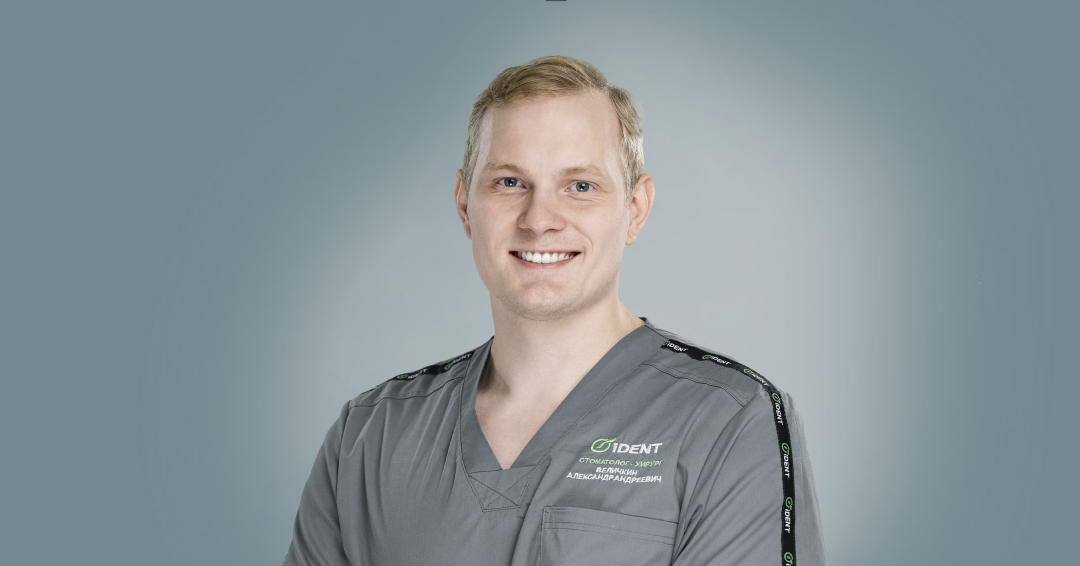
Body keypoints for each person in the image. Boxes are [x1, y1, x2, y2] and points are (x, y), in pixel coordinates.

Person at [282, 55, 827, 566]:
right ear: (465, 205)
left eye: (580, 186)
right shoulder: (370, 435)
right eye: (510, 183)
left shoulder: (730, 421)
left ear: (635, 209)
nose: (539, 219)